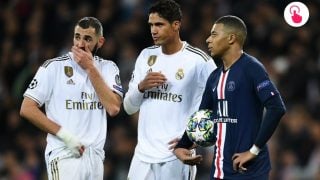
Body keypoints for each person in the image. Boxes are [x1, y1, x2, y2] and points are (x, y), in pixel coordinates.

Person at [174, 15, 286, 179]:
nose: (208, 40)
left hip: (249, 170)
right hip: (219, 168)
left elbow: (276, 108)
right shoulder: (214, 77)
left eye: (214, 34)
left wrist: (253, 151)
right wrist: (182, 145)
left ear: (231, 38)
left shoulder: (252, 68)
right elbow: (201, 116)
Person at [20, 17, 123, 180]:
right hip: (64, 154)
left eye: (88, 39)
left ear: (100, 41)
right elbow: (27, 108)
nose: (81, 44)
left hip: (95, 158)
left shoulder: (108, 68)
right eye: (77, 37)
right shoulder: (53, 67)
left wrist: (90, 68)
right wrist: (66, 136)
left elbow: (113, 107)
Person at [123, 0, 216, 179]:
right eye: (151, 25)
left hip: (175, 155)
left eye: (159, 24)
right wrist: (141, 87)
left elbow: (217, 105)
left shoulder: (200, 61)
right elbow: (128, 107)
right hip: (142, 156)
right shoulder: (146, 56)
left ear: (176, 25)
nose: (153, 30)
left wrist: (193, 140)